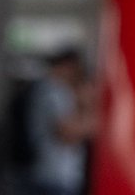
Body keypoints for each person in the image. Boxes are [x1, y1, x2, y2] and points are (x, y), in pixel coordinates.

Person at [23, 49, 93, 195]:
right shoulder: (54, 91)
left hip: (58, 176)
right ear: (68, 65)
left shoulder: (54, 89)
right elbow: (66, 132)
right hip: (55, 176)